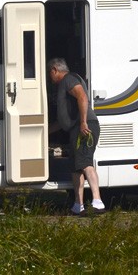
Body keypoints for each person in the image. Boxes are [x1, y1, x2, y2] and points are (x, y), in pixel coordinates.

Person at [47, 57, 104, 215]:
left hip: (84, 127)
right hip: (75, 128)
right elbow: (63, 121)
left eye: (49, 73)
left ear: (55, 70)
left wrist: (83, 122)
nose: (49, 77)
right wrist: (44, 133)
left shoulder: (69, 79)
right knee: (75, 167)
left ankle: (98, 201)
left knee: (85, 162)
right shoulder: (65, 83)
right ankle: (78, 205)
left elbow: (82, 97)